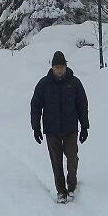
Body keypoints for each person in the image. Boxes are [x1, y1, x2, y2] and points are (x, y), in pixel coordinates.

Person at [30, 50, 89, 203]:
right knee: (56, 162)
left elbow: (82, 105)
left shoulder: (74, 83)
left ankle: (72, 185)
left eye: (61, 66)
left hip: (70, 129)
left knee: (72, 159)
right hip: (51, 130)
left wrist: (84, 127)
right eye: (56, 66)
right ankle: (61, 192)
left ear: (65, 66)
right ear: (52, 67)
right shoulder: (44, 84)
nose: (59, 69)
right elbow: (35, 106)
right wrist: (35, 127)